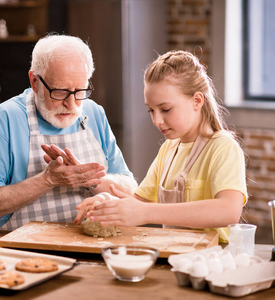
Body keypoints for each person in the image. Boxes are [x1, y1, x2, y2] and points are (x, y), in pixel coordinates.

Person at [0, 34, 137, 230]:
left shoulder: (94, 113)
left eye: (79, 91)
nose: (71, 104)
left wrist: (89, 179)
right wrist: (48, 180)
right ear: (35, 82)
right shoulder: (6, 119)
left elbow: (131, 191)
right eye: (60, 92)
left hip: (94, 243)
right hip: (28, 252)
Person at [75, 50, 247, 243]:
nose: (157, 120)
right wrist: (109, 204)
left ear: (197, 100)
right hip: (175, 256)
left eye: (165, 109)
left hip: (214, 261)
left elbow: (228, 211)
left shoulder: (223, 148)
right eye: (151, 110)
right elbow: (139, 204)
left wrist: (147, 212)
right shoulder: (169, 149)